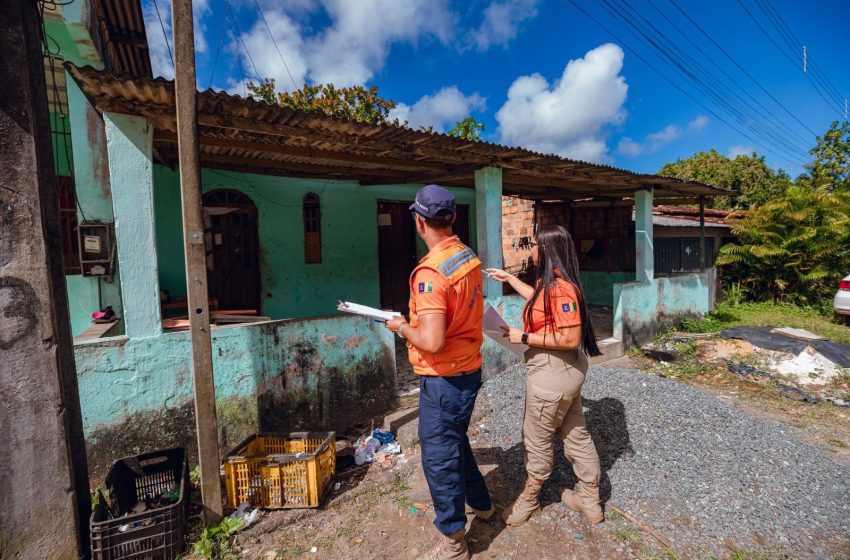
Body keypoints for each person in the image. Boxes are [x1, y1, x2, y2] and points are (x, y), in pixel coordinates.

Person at [385, 184, 493, 560]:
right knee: (454, 439)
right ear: (452, 218)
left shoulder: (430, 272)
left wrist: (400, 326)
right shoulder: (466, 256)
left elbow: (431, 340)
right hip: (468, 370)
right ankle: (482, 503)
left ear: (419, 222)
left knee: (439, 456)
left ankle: (453, 536)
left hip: (444, 377)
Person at [485, 224, 604, 526]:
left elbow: (570, 339)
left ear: (547, 250)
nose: (532, 250)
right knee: (576, 434)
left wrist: (522, 337)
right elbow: (538, 301)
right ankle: (590, 502)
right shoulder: (551, 284)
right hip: (565, 376)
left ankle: (530, 499)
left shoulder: (562, 290)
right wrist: (510, 278)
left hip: (552, 376)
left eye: (535, 245)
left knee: (536, 439)